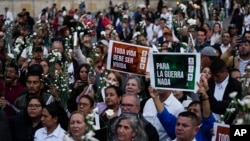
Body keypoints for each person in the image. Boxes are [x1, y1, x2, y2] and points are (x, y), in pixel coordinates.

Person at [208, 58, 242, 123]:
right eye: (213, 76)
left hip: (226, 124)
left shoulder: (235, 85)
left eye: (217, 76)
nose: (214, 79)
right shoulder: (210, 82)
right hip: (208, 122)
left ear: (225, 71)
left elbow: (227, 108)